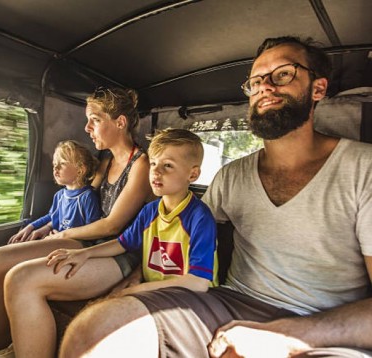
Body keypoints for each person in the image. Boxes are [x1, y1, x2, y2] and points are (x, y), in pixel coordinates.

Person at [58, 36, 372, 358]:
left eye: (283, 75)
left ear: (318, 89)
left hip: (327, 328)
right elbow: (185, 235)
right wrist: (134, 277)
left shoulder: (363, 170)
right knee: (93, 332)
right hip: (228, 304)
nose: (264, 86)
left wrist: (289, 335)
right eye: (255, 81)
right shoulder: (232, 176)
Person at [0, 87, 152, 351]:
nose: (87, 127)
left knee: (20, 279)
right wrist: (46, 226)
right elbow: (80, 196)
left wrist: (63, 235)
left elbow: (113, 225)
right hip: (87, 242)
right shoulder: (105, 160)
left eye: (95, 120)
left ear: (120, 122)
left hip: (117, 253)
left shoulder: (141, 165)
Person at [47, 128, 216, 296]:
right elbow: (122, 243)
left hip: (189, 296)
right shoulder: (150, 211)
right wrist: (84, 254)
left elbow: (198, 282)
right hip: (155, 290)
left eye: (168, 166)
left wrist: (135, 290)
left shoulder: (199, 217)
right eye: (153, 163)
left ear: (193, 174)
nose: (156, 172)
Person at [0, 140, 101, 320]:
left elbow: (94, 229)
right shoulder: (60, 195)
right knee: (13, 252)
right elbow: (51, 217)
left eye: (62, 164)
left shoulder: (87, 197)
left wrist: (62, 236)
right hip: (55, 239)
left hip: (71, 246)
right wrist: (32, 226)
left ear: (80, 170)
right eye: (54, 165)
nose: (55, 169)